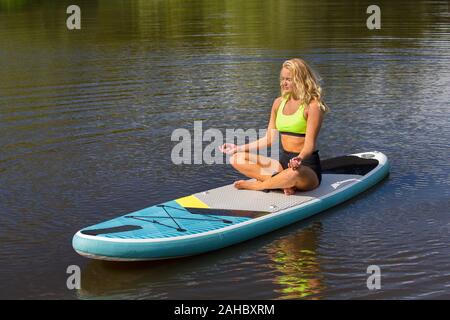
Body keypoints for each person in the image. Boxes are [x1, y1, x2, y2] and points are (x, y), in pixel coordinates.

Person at [219, 58, 329, 195]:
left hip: (305, 168)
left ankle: (259, 186)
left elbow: (309, 145)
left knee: (293, 174)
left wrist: (299, 159)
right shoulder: (278, 103)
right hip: (282, 165)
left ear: (300, 79)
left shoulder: (313, 106)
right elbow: (269, 139)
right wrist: (238, 148)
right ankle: (282, 183)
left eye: (289, 79)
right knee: (237, 158)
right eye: (282, 79)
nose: (284, 83)